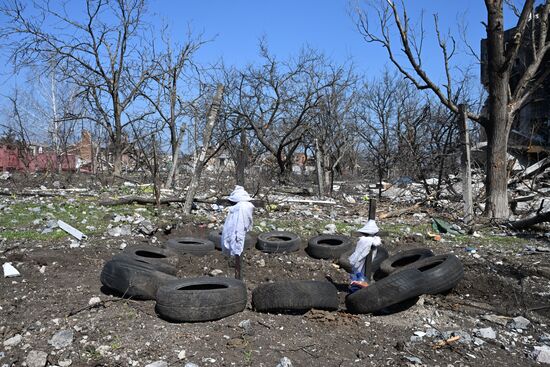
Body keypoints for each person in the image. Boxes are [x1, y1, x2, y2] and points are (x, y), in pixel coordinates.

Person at [221, 185, 255, 279]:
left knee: (237, 242)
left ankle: (238, 273)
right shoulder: (240, 208)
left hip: (239, 234)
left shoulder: (244, 207)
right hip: (238, 234)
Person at [348, 219, 381, 292]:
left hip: (365, 264)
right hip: (360, 265)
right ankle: (358, 283)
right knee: (358, 271)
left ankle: (360, 283)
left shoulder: (373, 240)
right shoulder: (365, 240)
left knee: (361, 271)